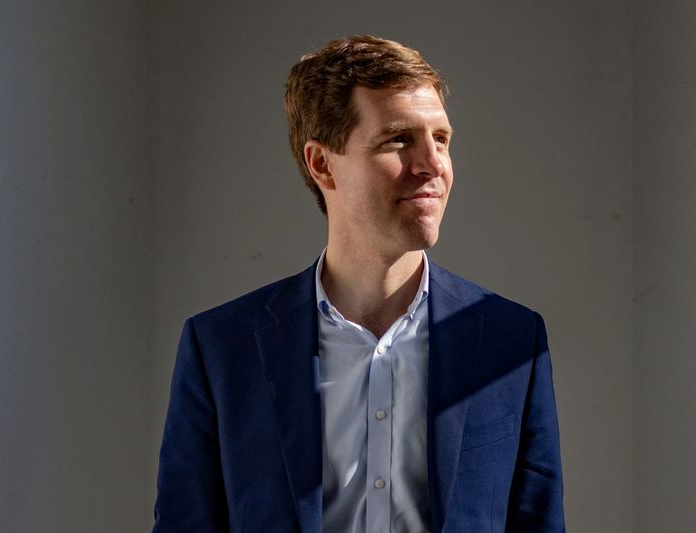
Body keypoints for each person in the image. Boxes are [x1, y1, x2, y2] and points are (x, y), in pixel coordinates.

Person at [153, 35, 565, 533]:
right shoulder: (221, 348)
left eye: (441, 139)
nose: (433, 165)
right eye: (399, 139)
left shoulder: (512, 340)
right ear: (322, 163)